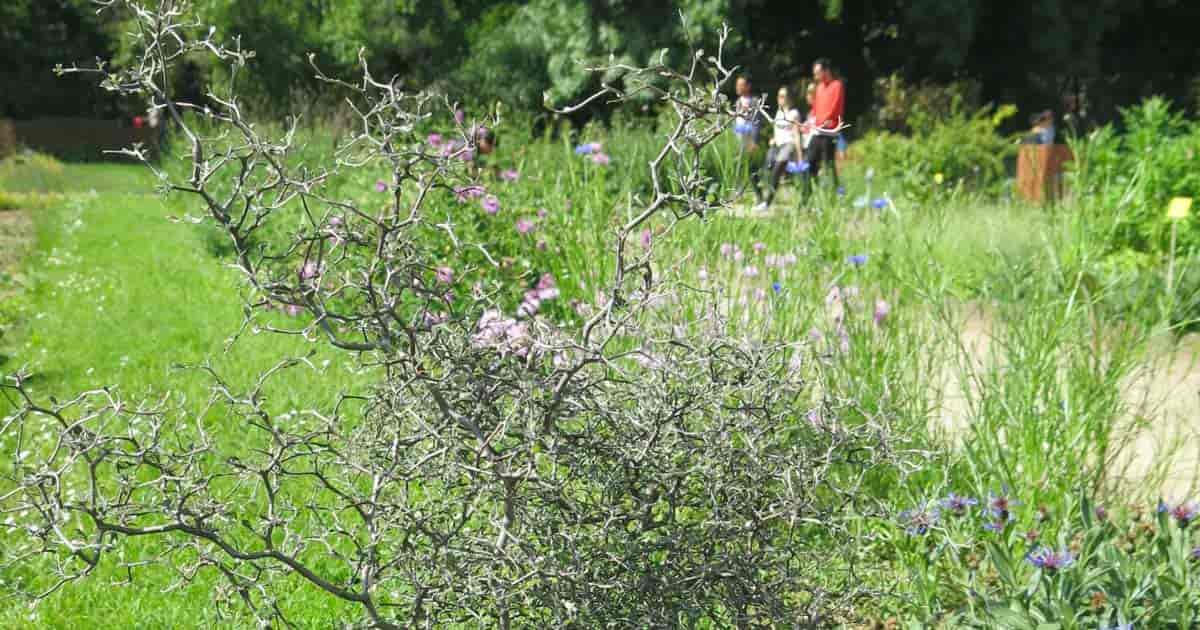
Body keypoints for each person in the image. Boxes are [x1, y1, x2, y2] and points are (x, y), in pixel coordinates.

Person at [752, 87, 802, 211]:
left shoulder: (794, 113)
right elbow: (777, 130)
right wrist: (773, 139)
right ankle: (761, 198)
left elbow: (796, 134)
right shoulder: (779, 112)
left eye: (783, 96)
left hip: (788, 145)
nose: (780, 98)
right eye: (779, 95)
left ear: (789, 98)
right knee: (765, 170)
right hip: (777, 146)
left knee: (776, 172)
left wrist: (799, 153)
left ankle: (767, 203)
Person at [803, 58, 845, 201]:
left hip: (830, 132)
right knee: (809, 163)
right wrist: (810, 123)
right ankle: (806, 198)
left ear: (826, 71)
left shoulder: (837, 85)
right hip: (818, 131)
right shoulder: (819, 87)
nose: (816, 77)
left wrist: (823, 121)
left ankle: (835, 196)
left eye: (818, 73)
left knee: (828, 165)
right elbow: (815, 108)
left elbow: (834, 108)